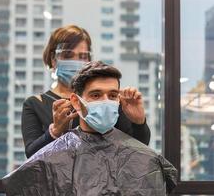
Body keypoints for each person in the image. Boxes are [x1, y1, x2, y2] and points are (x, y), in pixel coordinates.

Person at [3, 61, 177, 196]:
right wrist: (55, 130)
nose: (105, 101)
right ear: (77, 102)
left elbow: (137, 154)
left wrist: (139, 122)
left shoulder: (146, 159)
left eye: (112, 95)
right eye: (95, 95)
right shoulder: (51, 158)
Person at [21, 25, 150, 158]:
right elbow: (32, 156)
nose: (76, 61)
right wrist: (55, 131)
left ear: (89, 60)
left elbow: (139, 149)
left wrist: (139, 122)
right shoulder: (35, 104)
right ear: (53, 60)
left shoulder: (107, 101)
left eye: (82, 56)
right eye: (68, 55)